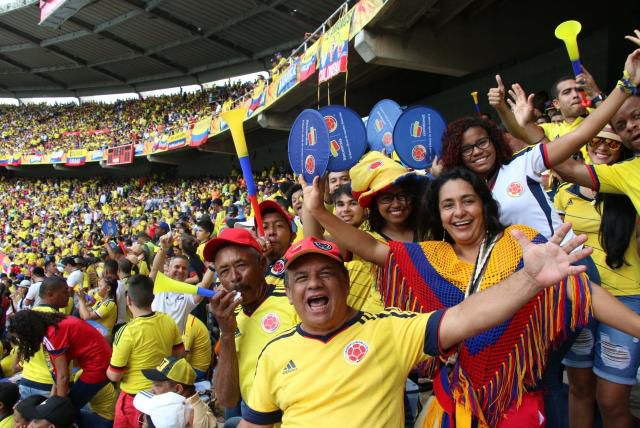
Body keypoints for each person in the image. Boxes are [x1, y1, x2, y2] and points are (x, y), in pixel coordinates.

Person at [300, 168, 640, 426]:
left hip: (516, 398)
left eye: (467, 201)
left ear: (484, 205)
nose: (459, 212)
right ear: (439, 214)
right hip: (453, 401)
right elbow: (372, 247)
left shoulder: (519, 241)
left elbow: (582, 292)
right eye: (448, 205)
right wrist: (319, 211)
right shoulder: (431, 256)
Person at [239, 228, 591, 428]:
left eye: (326, 273)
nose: (314, 284)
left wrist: (530, 279)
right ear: (288, 292)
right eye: (301, 278)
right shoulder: (274, 354)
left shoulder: (388, 329)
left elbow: (465, 317)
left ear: (345, 284)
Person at [555, 129, 640, 428]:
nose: (602, 147)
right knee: (579, 389)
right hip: (580, 296)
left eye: (611, 142)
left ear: (623, 148)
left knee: (611, 400)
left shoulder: (629, 184)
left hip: (625, 297)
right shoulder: (564, 192)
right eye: (595, 140)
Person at [204, 228, 297, 426]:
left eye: (241, 265)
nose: (234, 277)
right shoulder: (231, 316)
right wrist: (227, 333)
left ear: (262, 264)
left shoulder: (293, 302)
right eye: (224, 271)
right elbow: (227, 399)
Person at [107, 274, 184, 428]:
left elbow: (115, 375)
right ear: (153, 297)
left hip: (134, 401)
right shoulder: (168, 320)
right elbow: (180, 354)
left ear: (129, 300)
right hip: (162, 395)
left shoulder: (126, 332)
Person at [8, 310, 111, 411]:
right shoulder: (54, 325)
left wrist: (58, 408)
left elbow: (63, 376)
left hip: (98, 367)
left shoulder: (53, 334)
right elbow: (58, 373)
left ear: (29, 331)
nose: (21, 341)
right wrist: (53, 398)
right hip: (99, 362)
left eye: (21, 337)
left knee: (68, 408)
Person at [150, 232, 214, 333]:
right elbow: (155, 270)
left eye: (184, 269)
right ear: (168, 269)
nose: (180, 270)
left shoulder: (188, 294)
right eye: (177, 267)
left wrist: (213, 266)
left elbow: (204, 285)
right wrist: (164, 248)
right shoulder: (158, 285)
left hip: (172, 346)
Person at [17, 276, 69, 400]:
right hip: (50, 386)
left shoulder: (27, 317)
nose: (69, 294)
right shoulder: (60, 321)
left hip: (26, 380)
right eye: (64, 291)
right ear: (50, 294)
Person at [135, 357, 215, 427]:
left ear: (178, 389)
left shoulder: (194, 420)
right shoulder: (169, 404)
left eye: (158, 385)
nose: (152, 389)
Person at [182, 314, 211, 381]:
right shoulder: (186, 318)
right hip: (192, 365)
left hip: (196, 369)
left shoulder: (188, 325)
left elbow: (181, 355)